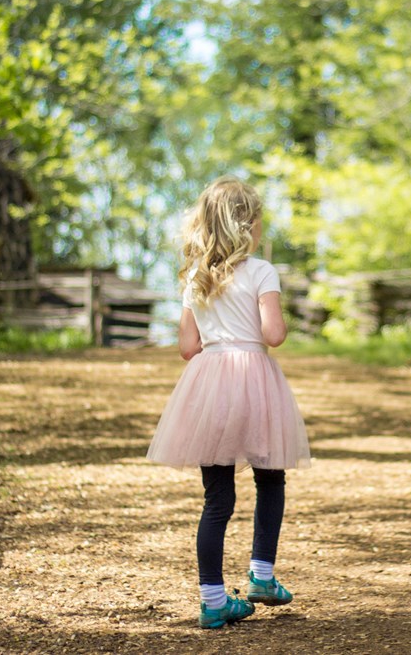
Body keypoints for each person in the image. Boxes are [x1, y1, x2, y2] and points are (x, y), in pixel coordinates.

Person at [147, 176, 312, 629]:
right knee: (270, 479)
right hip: (255, 379)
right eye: (258, 219)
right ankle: (261, 575)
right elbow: (274, 335)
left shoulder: (196, 276)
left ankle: (214, 601)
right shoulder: (261, 271)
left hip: (210, 382)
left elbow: (186, 346)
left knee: (216, 499)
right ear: (248, 224)